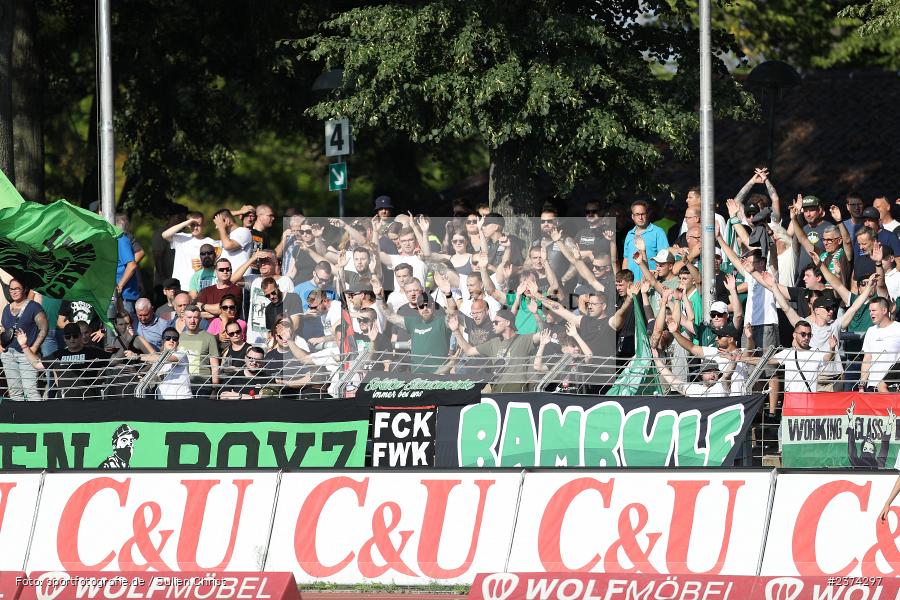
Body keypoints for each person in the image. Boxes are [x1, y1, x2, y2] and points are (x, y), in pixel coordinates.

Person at [448, 308, 541, 391]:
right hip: (497, 393)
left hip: (516, 392)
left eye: (496, 322)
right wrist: (456, 331)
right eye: (493, 322)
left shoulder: (524, 339)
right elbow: (469, 351)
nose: (493, 324)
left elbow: (544, 333)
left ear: (507, 323)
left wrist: (536, 314)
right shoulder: (493, 343)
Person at [24, 323, 109, 400]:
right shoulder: (58, 354)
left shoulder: (93, 352)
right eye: (68, 337)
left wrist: (122, 337)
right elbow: (37, 365)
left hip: (88, 400)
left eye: (75, 336)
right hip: (64, 402)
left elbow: (114, 360)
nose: (72, 339)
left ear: (80, 336)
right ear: (64, 339)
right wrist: (24, 346)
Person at [0, 279, 48, 401]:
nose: (14, 292)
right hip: (8, 355)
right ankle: (19, 419)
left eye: (17, 289)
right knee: (14, 393)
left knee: (31, 391)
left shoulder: (34, 307)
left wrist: (34, 348)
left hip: (26, 354)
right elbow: (4, 329)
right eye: (11, 289)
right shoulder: (7, 309)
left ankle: (36, 419)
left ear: (25, 289)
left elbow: (44, 328)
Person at [381, 293, 451, 373]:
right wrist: (379, 297)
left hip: (439, 376)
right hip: (416, 377)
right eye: (421, 306)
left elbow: (454, 314)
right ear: (418, 307)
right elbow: (390, 316)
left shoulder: (442, 321)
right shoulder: (414, 322)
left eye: (427, 305)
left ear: (433, 306)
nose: (425, 308)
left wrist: (448, 294)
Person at [161, 211, 218, 291]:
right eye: (192, 224)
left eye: (198, 224)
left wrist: (205, 264)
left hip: (200, 285)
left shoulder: (211, 242)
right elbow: (164, 235)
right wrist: (187, 222)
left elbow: (217, 263)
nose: (195, 227)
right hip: (180, 285)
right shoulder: (181, 238)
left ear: (203, 225)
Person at [177, 305, 220, 398]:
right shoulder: (178, 338)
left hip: (202, 386)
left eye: (195, 317)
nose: (192, 321)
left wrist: (214, 389)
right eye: (189, 317)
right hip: (181, 386)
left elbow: (214, 366)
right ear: (183, 318)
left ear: (200, 319)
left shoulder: (209, 337)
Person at [860, 296, 900, 392]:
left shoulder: (898, 328)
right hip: (871, 387)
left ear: (884, 310)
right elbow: (867, 358)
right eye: (870, 311)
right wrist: (861, 386)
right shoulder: (870, 331)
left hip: (892, 387)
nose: (871, 313)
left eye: (874, 310)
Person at [140, 327, 192, 400]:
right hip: (163, 401)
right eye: (168, 338)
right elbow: (152, 381)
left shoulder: (181, 354)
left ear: (178, 343)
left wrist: (137, 357)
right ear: (162, 342)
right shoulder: (157, 362)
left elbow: (165, 359)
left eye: (175, 338)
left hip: (182, 399)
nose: (171, 340)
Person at [622, 200, 669, 281]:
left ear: (647, 214)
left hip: (651, 282)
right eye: (637, 214)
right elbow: (626, 259)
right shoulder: (629, 234)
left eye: (642, 214)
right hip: (632, 285)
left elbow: (665, 258)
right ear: (632, 216)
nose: (640, 217)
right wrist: (624, 280)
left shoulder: (658, 232)